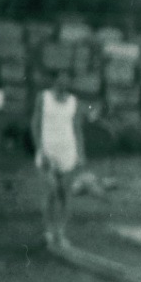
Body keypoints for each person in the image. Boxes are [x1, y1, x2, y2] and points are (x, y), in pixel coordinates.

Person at [32, 68, 86, 248]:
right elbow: (35, 124)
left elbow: (77, 128)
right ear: (54, 80)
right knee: (50, 192)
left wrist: (80, 153)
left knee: (64, 194)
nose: (64, 83)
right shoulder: (43, 98)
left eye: (67, 80)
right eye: (60, 79)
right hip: (48, 150)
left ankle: (60, 233)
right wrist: (40, 149)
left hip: (68, 151)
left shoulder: (74, 102)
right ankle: (48, 232)